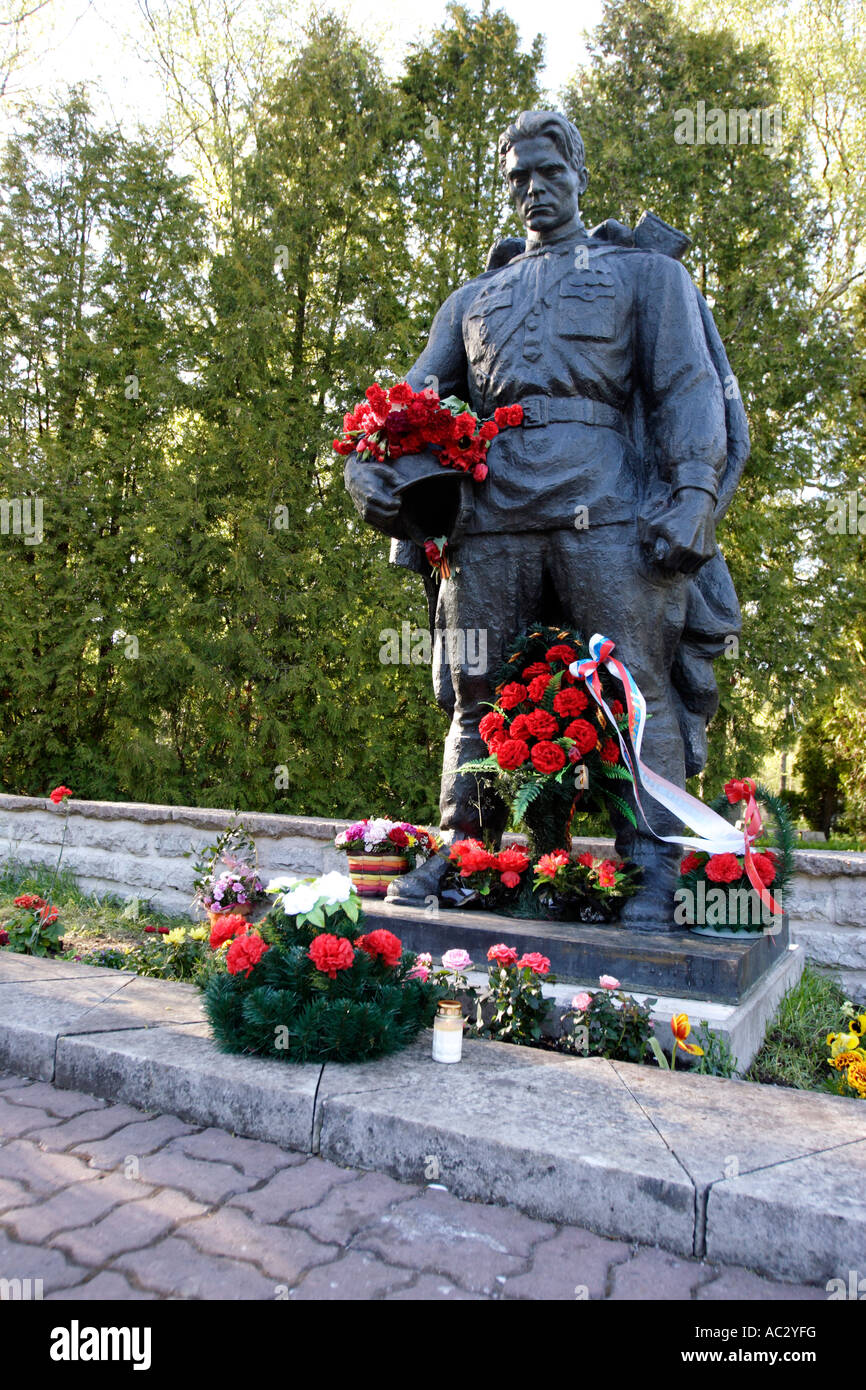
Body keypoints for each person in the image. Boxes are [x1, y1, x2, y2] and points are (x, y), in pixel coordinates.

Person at [345, 110, 745, 929]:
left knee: (635, 686)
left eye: (547, 172)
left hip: (608, 505)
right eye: (517, 177)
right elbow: (412, 396)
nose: (533, 189)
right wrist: (366, 464)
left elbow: (687, 389)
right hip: (490, 513)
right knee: (475, 694)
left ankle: (657, 870)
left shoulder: (646, 277)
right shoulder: (471, 299)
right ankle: (466, 853)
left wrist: (696, 493)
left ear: (578, 174)